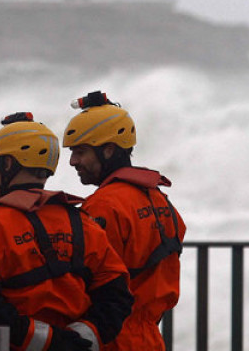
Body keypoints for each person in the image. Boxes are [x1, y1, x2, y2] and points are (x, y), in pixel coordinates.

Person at [0, 112, 133, 351]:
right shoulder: (84, 224)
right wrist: (78, 340)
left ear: (8, 163)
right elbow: (118, 295)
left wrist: (48, 340)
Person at [63, 91, 186, 351]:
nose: (73, 161)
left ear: (109, 150)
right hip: (151, 339)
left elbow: (81, 282)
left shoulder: (103, 206)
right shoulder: (161, 201)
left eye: (81, 151)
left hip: (111, 338)